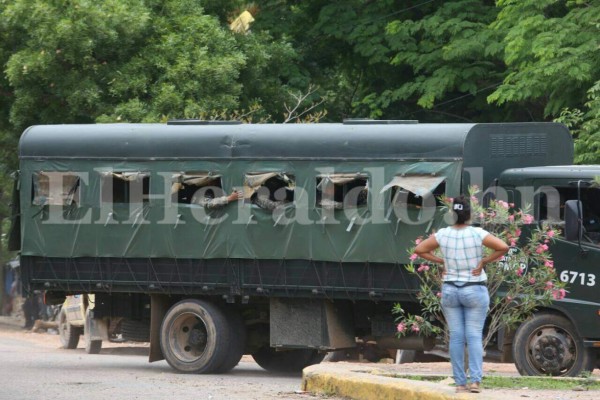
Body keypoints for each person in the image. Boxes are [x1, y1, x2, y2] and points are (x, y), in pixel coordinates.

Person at [414, 195, 508, 393]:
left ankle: (459, 383)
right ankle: (475, 381)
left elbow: (420, 249)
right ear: (468, 214)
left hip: (450, 290)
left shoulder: (443, 234)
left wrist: (441, 262)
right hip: (474, 289)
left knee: (456, 337)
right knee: (473, 336)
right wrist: (484, 262)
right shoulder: (477, 233)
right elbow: (503, 247)